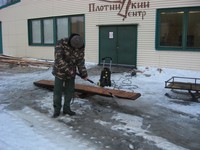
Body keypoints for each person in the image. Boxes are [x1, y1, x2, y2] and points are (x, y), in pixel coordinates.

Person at [52, 33, 88, 118]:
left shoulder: (81, 46)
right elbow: (59, 59)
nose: (76, 49)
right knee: (58, 92)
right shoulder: (61, 43)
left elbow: (80, 61)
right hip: (59, 72)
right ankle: (57, 110)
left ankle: (66, 109)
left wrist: (84, 74)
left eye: (78, 48)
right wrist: (69, 70)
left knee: (69, 92)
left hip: (71, 74)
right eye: (74, 47)